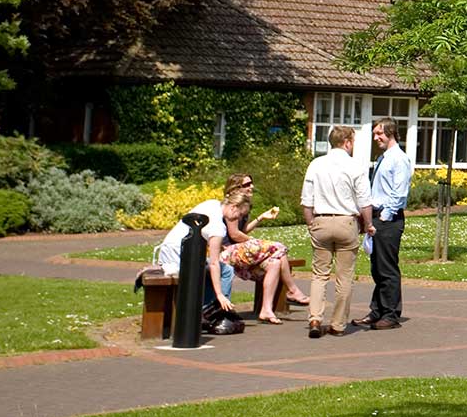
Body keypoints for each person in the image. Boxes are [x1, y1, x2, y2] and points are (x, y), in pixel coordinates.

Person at [300, 124, 371, 338]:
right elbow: (364, 201)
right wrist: (368, 224)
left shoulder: (316, 164)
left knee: (319, 274)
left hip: (321, 220)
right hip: (346, 222)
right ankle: (338, 324)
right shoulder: (355, 166)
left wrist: (311, 224)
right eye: (353, 142)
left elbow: (307, 200)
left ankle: (315, 318)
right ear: (347, 142)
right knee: (344, 276)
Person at [218, 173, 310, 323]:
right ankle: (293, 290)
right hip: (228, 252)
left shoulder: (243, 204)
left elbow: (242, 230)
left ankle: (266, 310)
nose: (251, 186)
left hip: (238, 251)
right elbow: (234, 234)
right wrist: (254, 241)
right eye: (247, 184)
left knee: (275, 262)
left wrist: (261, 218)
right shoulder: (232, 206)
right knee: (278, 247)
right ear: (235, 188)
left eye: (251, 183)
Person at [152, 189, 238, 334]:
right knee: (224, 271)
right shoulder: (218, 226)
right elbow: (214, 263)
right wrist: (220, 295)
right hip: (181, 259)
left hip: (168, 251)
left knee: (216, 272)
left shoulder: (212, 204)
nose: (237, 219)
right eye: (239, 214)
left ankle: (204, 312)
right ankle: (214, 314)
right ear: (233, 207)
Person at [356, 118, 411, 330]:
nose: (376, 138)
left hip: (389, 219)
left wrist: (385, 217)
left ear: (391, 133)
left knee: (387, 268)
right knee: (377, 268)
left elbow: (399, 193)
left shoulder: (399, 159)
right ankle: (377, 310)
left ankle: (391, 314)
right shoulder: (383, 158)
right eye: (374, 134)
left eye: (379, 133)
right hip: (378, 216)